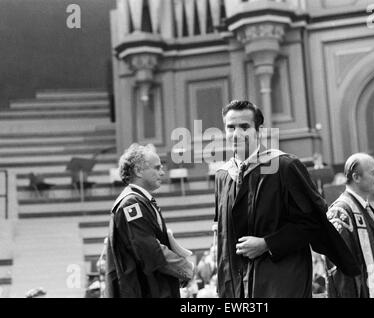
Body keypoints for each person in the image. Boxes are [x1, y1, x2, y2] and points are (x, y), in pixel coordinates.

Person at [213, 100, 360, 298]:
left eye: (244, 127)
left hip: (282, 278)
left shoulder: (284, 167)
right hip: (238, 282)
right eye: (231, 127)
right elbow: (222, 235)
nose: (237, 134)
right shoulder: (223, 176)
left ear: (259, 130)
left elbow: (313, 222)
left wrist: (267, 243)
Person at [104, 143, 194, 298]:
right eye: (157, 168)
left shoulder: (140, 201)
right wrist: (185, 268)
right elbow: (149, 249)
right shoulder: (131, 204)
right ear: (138, 171)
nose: (162, 172)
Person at [325, 152, 374, 298]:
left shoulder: (366, 208)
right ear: (356, 177)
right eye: (373, 173)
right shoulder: (341, 213)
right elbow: (341, 274)